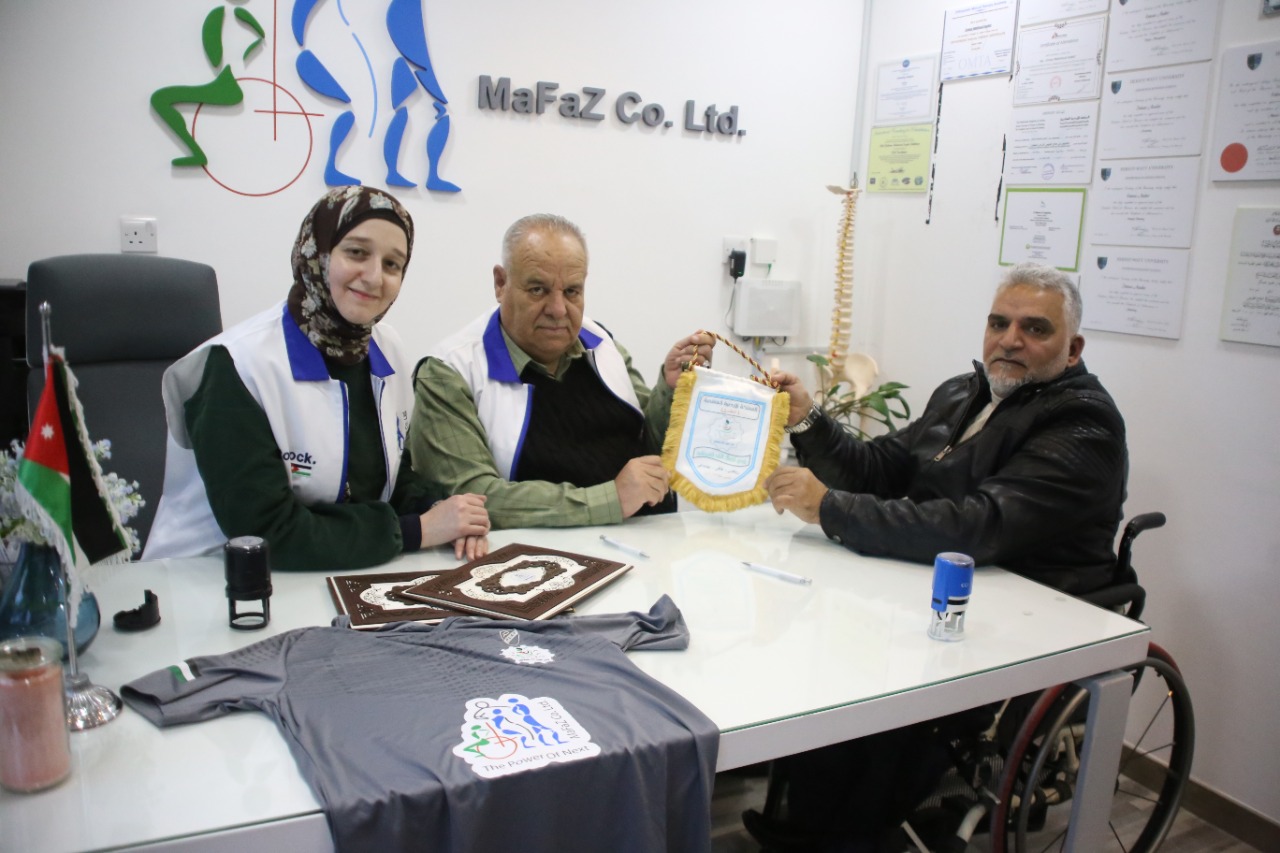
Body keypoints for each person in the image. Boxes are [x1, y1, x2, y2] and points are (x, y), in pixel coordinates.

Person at [747, 263, 1128, 852]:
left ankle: (849, 833)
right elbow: (880, 469)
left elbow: (978, 525)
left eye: (1035, 328)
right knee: (828, 664)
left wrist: (830, 508)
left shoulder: (1084, 423)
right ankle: (816, 827)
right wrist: (808, 419)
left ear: (1073, 349)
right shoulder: (962, 392)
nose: (1010, 339)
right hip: (940, 587)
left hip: (1026, 612)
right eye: (999, 323)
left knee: (876, 698)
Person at [144, 186, 489, 570]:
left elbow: (391, 474)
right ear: (316, 251)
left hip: (329, 571)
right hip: (210, 577)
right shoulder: (237, 366)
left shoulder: (386, 348)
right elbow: (267, 532)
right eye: (356, 253)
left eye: (393, 264)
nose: (375, 277)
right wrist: (418, 530)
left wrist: (446, 511)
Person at [407, 213, 715, 528]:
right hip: (534, 554)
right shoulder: (448, 373)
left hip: (650, 541)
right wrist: (611, 500)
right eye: (537, 290)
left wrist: (670, 390)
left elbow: (651, 449)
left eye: (571, 291)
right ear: (501, 283)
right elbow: (472, 499)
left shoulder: (602, 344)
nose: (557, 310)